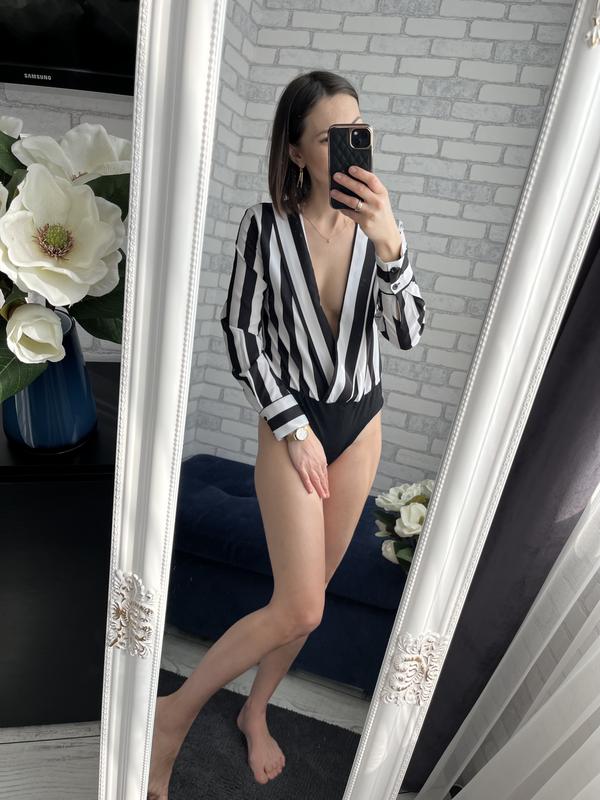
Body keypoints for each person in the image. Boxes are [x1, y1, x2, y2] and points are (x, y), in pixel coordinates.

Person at [147, 69, 426, 799]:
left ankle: (256, 709)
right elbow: (242, 334)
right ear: (298, 151)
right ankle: (172, 715)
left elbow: (407, 334)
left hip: (361, 424)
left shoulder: (381, 227)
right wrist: (293, 429)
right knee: (299, 604)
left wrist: (390, 247)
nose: (350, 147)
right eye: (332, 137)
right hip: (291, 422)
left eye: (357, 130)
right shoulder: (264, 226)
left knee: (315, 597)